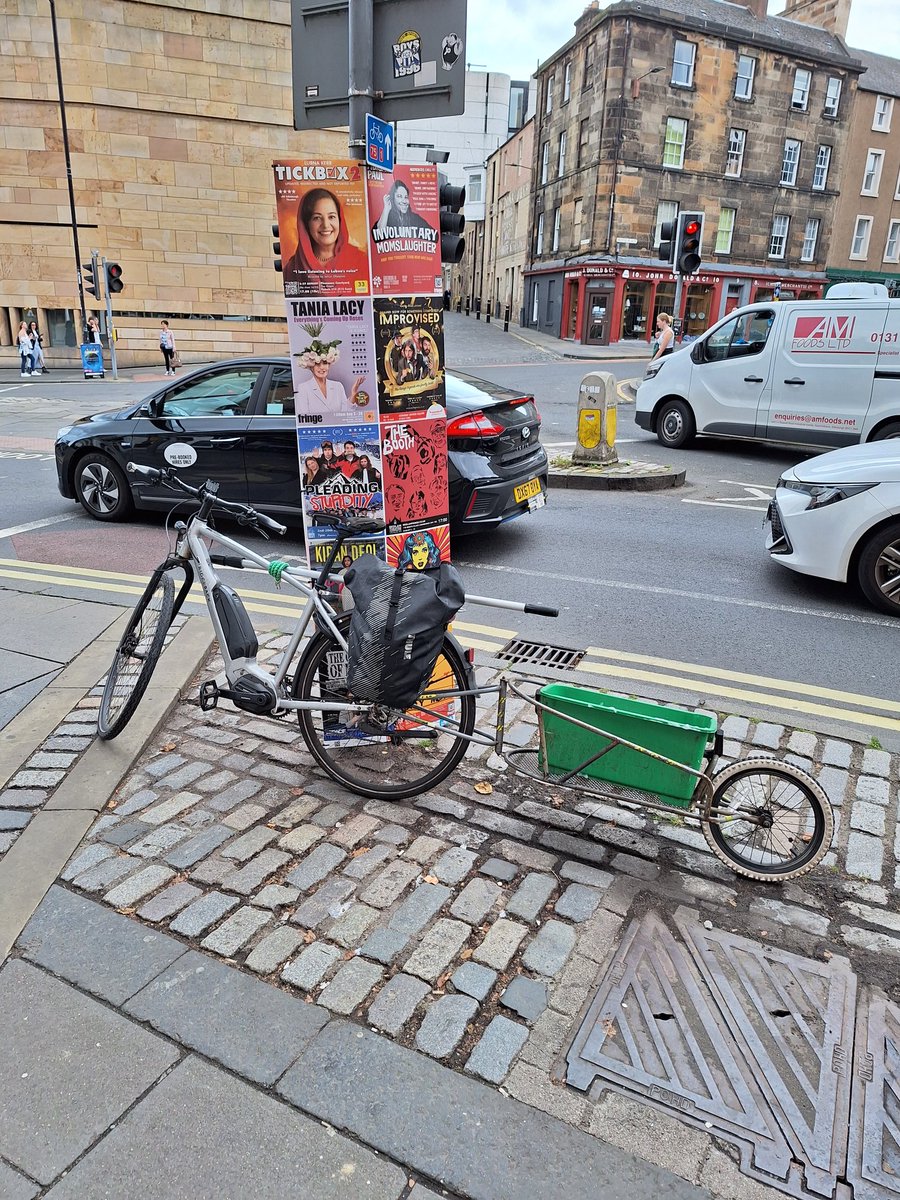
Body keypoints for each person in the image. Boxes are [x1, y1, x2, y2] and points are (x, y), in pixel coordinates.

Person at [283, 188, 369, 285]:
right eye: (317, 218)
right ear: (306, 224)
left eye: (331, 217)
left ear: (340, 220)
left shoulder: (361, 261)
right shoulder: (292, 268)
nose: (326, 225)